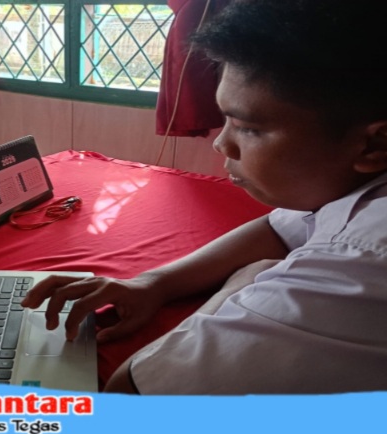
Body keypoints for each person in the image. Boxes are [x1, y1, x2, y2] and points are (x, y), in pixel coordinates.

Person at [21, 0, 387, 394]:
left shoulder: (361, 263)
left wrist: (241, 282)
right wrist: (153, 283)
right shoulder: (359, 191)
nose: (221, 144)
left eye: (248, 128)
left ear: (374, 145)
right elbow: (278, 230)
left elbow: (130, 393)